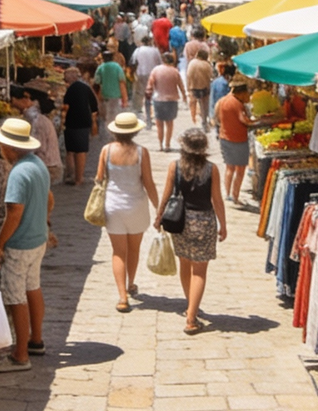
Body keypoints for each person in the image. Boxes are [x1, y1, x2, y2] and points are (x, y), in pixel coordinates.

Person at [0, 118, 53, 372]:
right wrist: (45, 223)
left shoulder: (18, 172)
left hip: (20, 243)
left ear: (10, 148)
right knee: (32, 287)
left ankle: (20, 354)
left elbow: (14, 212)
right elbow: (50, 199)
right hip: (37, 238)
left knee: (16, 297)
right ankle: (35, 339)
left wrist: (0, 244)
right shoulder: (38, 165)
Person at [155, 128, 227, 334]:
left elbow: (166, 195)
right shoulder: (211, 169)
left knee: (185, 263)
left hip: (180, 222)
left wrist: (159, 217)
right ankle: (191, 317)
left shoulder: (174, 167)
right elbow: (217, 200)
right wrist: (223, 224)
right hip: (204, 221)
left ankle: (191, 306)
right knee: (200, 271)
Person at [94, 112, 159, 312]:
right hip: (137, 206)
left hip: (113, 206)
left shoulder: (106, 150)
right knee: (134, 248)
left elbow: (99, 178)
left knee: (118, 252)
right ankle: (131, 283)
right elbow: (148, 183)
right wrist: (159, 207)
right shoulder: (142, 152)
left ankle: (122, 297)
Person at [215, 78, 256, 205]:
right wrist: (256, 122)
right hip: (238, 140)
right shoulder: (237, 104)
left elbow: (217, 117)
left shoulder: (222, 101)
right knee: (240, 170)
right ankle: (235, 196)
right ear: (241, 93)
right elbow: (244, 120)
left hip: (225, 138)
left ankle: (227, 194)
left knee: (229, 168)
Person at [11, 86, 63, 185]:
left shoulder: (38, 120)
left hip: (49, 166)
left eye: (15, 100)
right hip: (46, 165)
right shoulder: (35, 118)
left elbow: (36, 148)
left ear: (26, 99)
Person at [60, 67, 99, 186]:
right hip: (84, 121)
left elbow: (65, 106)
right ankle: (78, 177)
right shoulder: (85, 87)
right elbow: (94, 104)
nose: (64, 79)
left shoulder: (71, 89)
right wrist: (93, 120)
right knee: (80, 150)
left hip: (73, 121)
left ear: (71, 77)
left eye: (65, 76)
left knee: (72, 150)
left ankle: (74, 177)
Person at [147, 51, 188, 152]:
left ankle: (160, 144)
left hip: (158, 100)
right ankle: (167, 145)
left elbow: (150, 84)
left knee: (159, 124)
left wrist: (148, 93)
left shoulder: (156, 70)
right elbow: (181, 85)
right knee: (169, 124)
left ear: (163, 60)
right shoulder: (175, 71)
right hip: (172, 100)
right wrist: (184, 96)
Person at [131, 36, 163, 124]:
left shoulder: (138, 50)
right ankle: (151, 116)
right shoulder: (155, 50)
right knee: (152, 95)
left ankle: (145, 116)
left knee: (143, 95)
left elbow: (133, 62)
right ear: (150, 41)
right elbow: (160, 63)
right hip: (153, 74)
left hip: (141, 74)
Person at [94, 53, 127, 128]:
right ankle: (114, 132)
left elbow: (97, 81)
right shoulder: (117, 67)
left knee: (106, 116)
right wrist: (125, 99)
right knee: (114, 115)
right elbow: (122, 81)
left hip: (104, 95)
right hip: (116, 95)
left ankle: (108, 132)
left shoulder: (100, 67)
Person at [185, 49, 215, 126]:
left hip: (193, 87)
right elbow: (211, 76)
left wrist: (188, 87)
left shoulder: (191, 63)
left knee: (193, 104)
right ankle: (204, 121)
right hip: (204, 87)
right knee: (204, 105)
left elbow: (188, 75)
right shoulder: (207, 65)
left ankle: (193, 120)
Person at [208, 61, 235, 134]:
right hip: (222, 111)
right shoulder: (224, 84)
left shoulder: (216, 81)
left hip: (216, 110)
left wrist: (211, 115)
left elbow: (212, 99)